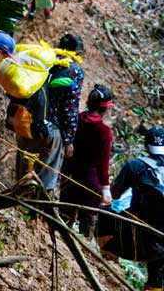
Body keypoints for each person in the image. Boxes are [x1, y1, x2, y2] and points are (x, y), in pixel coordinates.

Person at [0, 32, 64, 194]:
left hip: (23, 127)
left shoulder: (23, 81)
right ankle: (36, 200)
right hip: (40, 129)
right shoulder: (38, 81)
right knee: (44, 168)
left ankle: (21, 193)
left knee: (24, 162)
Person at [109, 126, 164, 290]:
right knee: (157, 278)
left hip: (139, 232)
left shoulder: (135, 166)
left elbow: (115, 195)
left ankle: (109, 259)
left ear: (146, 146)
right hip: (160, 238)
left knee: (105, 213)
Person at [60, 84, 113, 238]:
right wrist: (105, 189)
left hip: (68, 174)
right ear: (105, 109)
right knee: (87, 220)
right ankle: (84, 248)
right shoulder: (104, 132)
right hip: (90, 182)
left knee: (64, 214)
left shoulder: (75, 120)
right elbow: (103, 164)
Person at [46, 33, 86, 158]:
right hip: (52, 130)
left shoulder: (47, 62)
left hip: (31, 122)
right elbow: (70, 108)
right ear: (77, 53)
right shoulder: (74, 71)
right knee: (45, 176)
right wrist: (68, 140)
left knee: (24, 171)